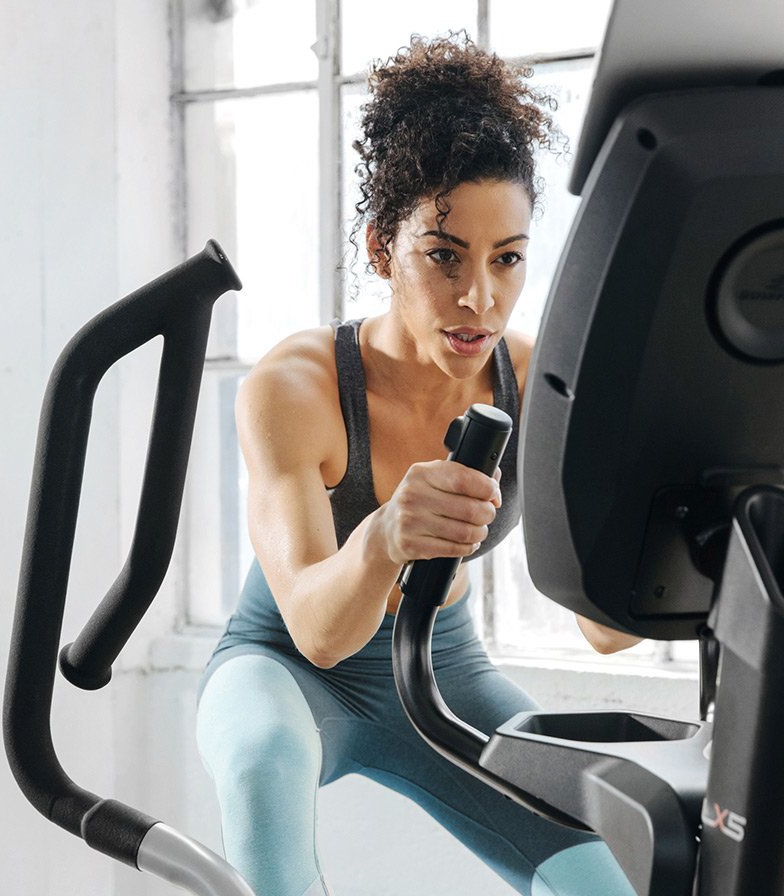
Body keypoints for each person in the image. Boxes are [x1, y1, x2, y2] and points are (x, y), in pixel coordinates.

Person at [193, 33, 645, 896]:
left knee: (604, 877)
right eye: (444, 256)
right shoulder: (298, 386)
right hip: (283, 669)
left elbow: (607, 629)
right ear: (379, 250)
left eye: (506, 258)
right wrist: (382, 538)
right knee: (258, 764)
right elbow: (320, 633)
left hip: (444, 668)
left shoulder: (538, 381)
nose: (479, 297)